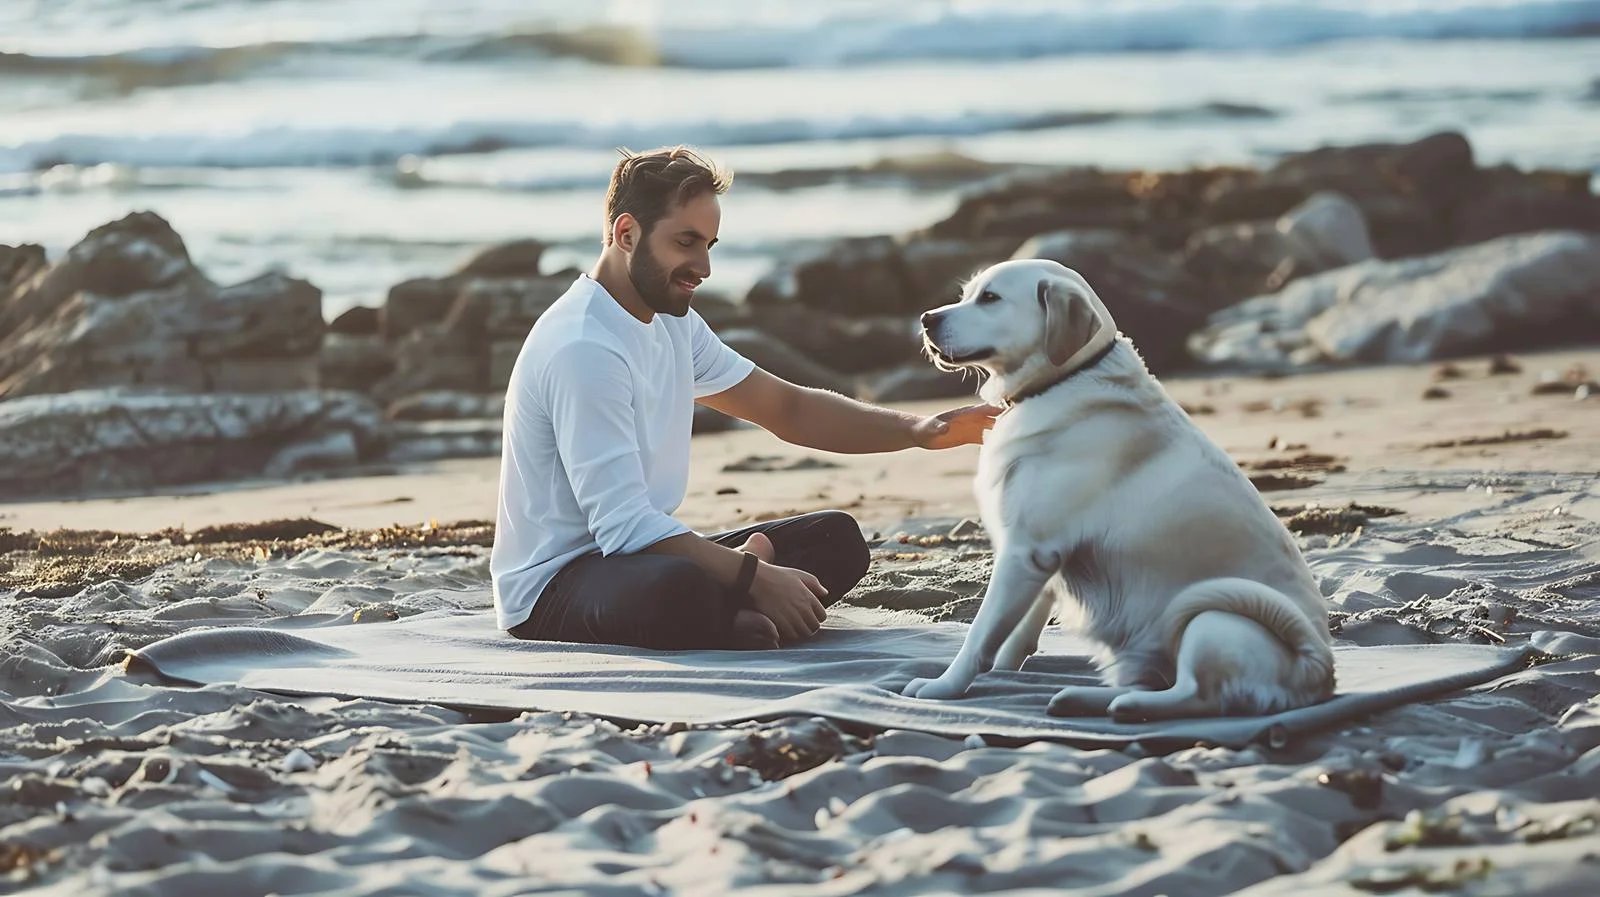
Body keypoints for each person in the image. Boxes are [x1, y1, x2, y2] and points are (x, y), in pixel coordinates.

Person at [491, 145, 999, 651]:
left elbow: (786, 407)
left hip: (640, 555)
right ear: (626, 234)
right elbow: (623, 527)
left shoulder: (673, 323)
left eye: (709, 244)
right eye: (686, 242)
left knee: (836, 538)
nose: (703, 266)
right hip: (555, 588)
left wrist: (919, 431)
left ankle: (730, 617)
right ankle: (730, 614)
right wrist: (753, 575)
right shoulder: (585, 346)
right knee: (678, 590)